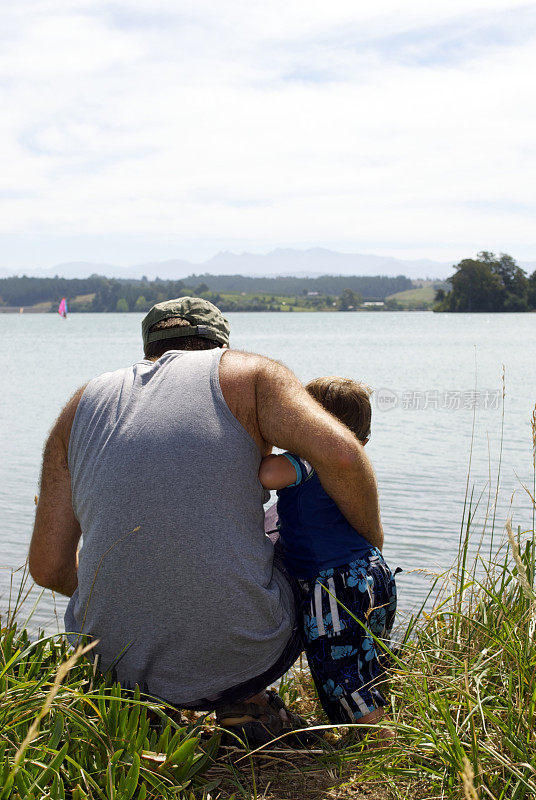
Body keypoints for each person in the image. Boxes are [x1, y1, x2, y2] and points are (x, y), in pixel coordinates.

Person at [29, 297, 384, 745]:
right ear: (220, 344)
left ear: (148, 349)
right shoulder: (249, 375)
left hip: (111, 659)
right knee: (285, 529)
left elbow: (46, 567)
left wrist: (141, 590)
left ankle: (145, 704)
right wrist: (370, 540)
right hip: (243, 652)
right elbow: (341, 454)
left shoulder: (78, 407)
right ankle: (246, 699)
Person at [259, 377, 397, 734]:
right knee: (367, 661)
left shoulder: (310, 459)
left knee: (341, 672)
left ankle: (381, 741)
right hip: (372, 572)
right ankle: (378, 730)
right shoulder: (354, 463)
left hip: (332, 582)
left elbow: (267, 474)